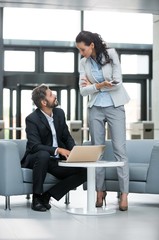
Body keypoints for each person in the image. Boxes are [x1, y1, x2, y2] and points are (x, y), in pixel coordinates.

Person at [75, 30, 130, 211]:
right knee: (96, 152)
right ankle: (100, 191)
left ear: (91, 45)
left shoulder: (112, 54)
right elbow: (82, 91)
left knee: (119, 150)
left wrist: (93, 86)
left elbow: (118, 82)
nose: (81, 53)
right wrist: (99, 86)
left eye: (82, 49)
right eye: (79, 50)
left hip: (115, 106)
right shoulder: (83, 62)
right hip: (95, 108)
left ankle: (124, 194)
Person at [21, 84, 87, 212]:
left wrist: (75, 152)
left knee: (85, 171)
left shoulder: (59, 113)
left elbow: (66, 137)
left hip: (54, 161)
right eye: (51, 95)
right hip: (36, 159)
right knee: (43, 154)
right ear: (44, 102)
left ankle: (47, 196)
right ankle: (36, 198)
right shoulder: (32, 119)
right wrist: (58, 150)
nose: (55, 95)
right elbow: (35, 146)